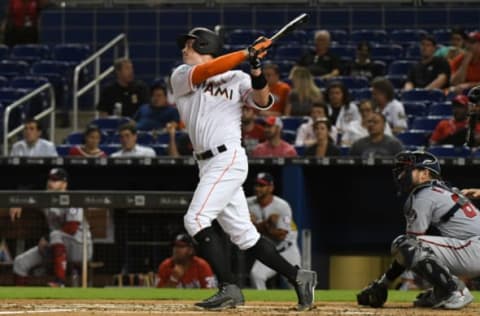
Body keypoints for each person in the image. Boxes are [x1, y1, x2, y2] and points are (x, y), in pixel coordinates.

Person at [171, 27, 316, 311]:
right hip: (206, 163)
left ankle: (228, 288)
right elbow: (207, 70)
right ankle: (299, 277)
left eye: (188, 45)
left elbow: (263, 101)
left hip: (227, 158)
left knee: (196, 220)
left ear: (202, 43)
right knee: (244, 235)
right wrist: (245, 53)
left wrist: (256, 67)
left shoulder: (237, 77)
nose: (183, 50)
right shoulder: (180, 75)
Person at [357, 150, 479, 310]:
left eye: (408, 169)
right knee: (412, 248)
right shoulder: (443, 190)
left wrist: (383, 283)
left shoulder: (423, 195)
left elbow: (409, 248)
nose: (401, 174)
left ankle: (454, 290)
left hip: (473, 249)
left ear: (425, 174)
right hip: (471, 247)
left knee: (405, 244)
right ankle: (442, 292)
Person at [10, 168, 92, 287]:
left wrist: (47, 239)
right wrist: (18, 201)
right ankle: (19, 299)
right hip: (55, 246)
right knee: (20, 262)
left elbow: (71, 228)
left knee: (55, 235)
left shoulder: (73, 199)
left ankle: (59, 282)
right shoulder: (45, 198)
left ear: (64, 184)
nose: (50, 183)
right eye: (50, 179)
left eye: (55, 180)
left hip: (80, 247)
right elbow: (29, 194)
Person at [247, 172, 301, 289]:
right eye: (256, 185)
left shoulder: (282, 206)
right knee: (257, 275)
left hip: (287, 250)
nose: (257, 189)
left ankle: (307, 303)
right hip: (268, 251)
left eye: (262, 186)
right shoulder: (248, 203)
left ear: (271, 188)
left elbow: (281, 235)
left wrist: (260, 225)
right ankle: (262, 304)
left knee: (297, 282)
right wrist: (267, 225)